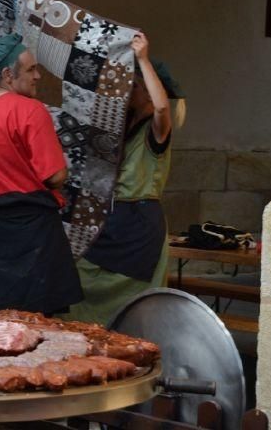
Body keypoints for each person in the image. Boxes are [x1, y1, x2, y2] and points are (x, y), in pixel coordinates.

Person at [67, 32, 186, 326]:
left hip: (138, 228)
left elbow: (161, 108)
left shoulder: (156, 128)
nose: (125, 92)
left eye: (131, 86)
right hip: (112, 221)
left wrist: (143, 60)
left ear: (146, 88)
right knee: (77, 284)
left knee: (135, 313)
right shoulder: (122, 127)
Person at [0, 34, 83, 315]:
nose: (38, 76)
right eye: (30, 69)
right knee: (33, 326)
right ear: (7, 74)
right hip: (31, 234)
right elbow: (55, 176)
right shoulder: (30, 110)